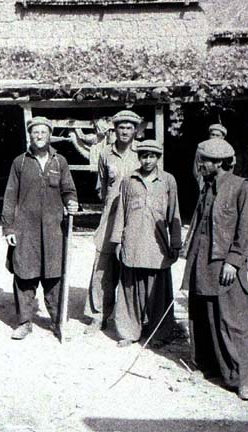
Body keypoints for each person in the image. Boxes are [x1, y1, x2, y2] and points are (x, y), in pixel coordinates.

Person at [181, 138, 248, 400]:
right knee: (203, 317)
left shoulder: (241, 187)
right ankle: (209, 367)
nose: (200, 165)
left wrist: (233, 261)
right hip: (203, 264)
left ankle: (243, 378)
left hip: (226, 267)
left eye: (205, 161)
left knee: (232, 321)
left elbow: (246, 230)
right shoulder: (207, 186)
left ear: (220, 163)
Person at [2, 116, 78, 340]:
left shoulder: (60, 162)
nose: (39, 136)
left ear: (49, 135)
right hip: (25, 230)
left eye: (43, 132)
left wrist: (72, 201)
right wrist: (9, 229)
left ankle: (57, 322)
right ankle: (25, 322)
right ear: (30, 135)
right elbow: (9, 196)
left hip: (54, 230)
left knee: (54, 276)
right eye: (35, 132)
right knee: (24, 275)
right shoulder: (20, 162)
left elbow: (68, 190)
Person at [110, 140, 182, 347]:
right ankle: (129, 331)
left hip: (156, 245)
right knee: (130, 290)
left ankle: (158, 334)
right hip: (131, 242)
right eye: (144, 156)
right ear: (138, 157)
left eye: (152, 156)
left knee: (158, 292)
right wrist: (117, 241)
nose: (147, 160)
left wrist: (175, 243)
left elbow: (173, 213)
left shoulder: (168, 181)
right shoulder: (129, 180)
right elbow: (121, 212)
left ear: (158, 158)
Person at [84, 110, 142, 334]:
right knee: (102, 266)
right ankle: (98, 315)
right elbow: (102, 186)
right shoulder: (105, 154)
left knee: (131, 265)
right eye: (121, 127)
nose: (125, 131)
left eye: (129, 127)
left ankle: (130, 319)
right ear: (114, 130)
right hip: (110, 217)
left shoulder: (142, 153)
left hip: (135, 217)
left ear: (135, 131)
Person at [193, 123, 228, 190]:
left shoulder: (227, 150)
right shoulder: (201, 148)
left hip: (223, 182)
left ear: (222, 137)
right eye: (212, 134)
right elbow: (196, 168)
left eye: (217, 135)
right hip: (205, 181)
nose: (214, 137)